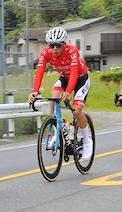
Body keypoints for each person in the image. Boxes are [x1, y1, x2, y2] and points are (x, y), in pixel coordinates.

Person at [27, 26, 93, 160]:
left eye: (58, 45)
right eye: (52, 45)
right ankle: (60, 126)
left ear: (64, 44)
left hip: (81, 79)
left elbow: (74, 72)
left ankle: (87, 141)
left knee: (76, 112)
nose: (55, 48)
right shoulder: (45, 53)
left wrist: (69, 92)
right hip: (64, 78)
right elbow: (39, 72)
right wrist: (35, 92)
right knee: (54, 97)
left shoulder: (72, 51)